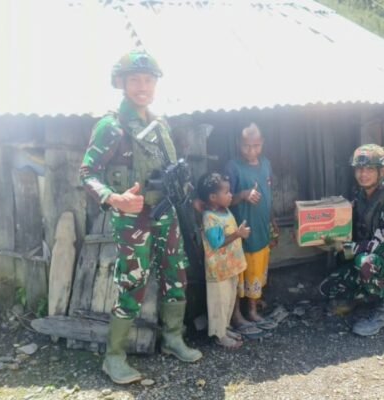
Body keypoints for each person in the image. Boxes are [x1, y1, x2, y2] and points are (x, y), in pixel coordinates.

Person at [80, 50, 202, 384]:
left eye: (148, 80)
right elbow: (87, 172)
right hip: (133, 218)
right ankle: (114, 357)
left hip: (166, 212)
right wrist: (112, 198)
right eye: (134, 79)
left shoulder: (159, 122)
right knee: (132, 284)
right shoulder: (112, 126)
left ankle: (173, 339)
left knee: (176, 274)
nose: (142, 86)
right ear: (121, 82)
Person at [319, 144, 384, 337]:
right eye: (359, 169)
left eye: (369, 169)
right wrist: (320, 237)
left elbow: (379, 246)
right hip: (365, 257)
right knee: (328, 288)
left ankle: (381, 309)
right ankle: (363, 298)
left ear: (382, 171)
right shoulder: (359, 197)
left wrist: (343, 247)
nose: (363, 174)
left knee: (366, 262)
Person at [225, 123, 279, 336]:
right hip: (241, 230)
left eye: (256, 146)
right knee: (239, 272)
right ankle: (237, 315)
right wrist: (243, 194)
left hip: (261, 226)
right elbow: (225, 199)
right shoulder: (233, 167)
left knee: (257, 270)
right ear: (240, 144)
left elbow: (269, 193)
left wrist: (272, 219)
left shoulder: (266, 164)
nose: (251, 151)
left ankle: (253, 310)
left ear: (262, 144)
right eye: (247, 146)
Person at [198, 172, 250, 349]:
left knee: (228, 300)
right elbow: (217, 243)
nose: (230, 195)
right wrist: (237, 234)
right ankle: (219, 335)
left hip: (231, 266)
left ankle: (225, 328)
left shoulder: (225, 211)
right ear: (213, 197)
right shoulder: (209, 217)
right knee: (219, 303)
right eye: (226, 192)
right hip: (218, 269)